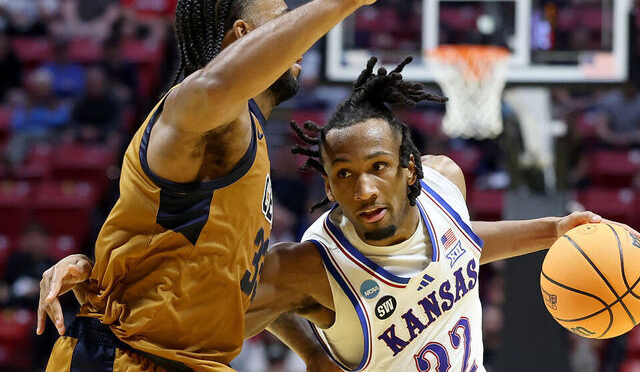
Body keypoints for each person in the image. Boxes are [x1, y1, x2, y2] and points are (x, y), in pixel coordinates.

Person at [40, 58, 634, 371]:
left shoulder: (447, 185)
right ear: (326, 183)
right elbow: (183, 312)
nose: (362, 187)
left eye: (377, 167)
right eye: (342, 175)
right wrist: (95, 271)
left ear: (410, 168)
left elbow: (463, 244)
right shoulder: (309, 268)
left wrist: (554, 230)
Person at [37, 0, 407, 372]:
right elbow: (215, 84)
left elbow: (234, 279)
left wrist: (312, 351)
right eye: (283, 22)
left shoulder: (245, 130)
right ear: (242, 36)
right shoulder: (196, 109)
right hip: (128, 357)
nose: (298, 41)